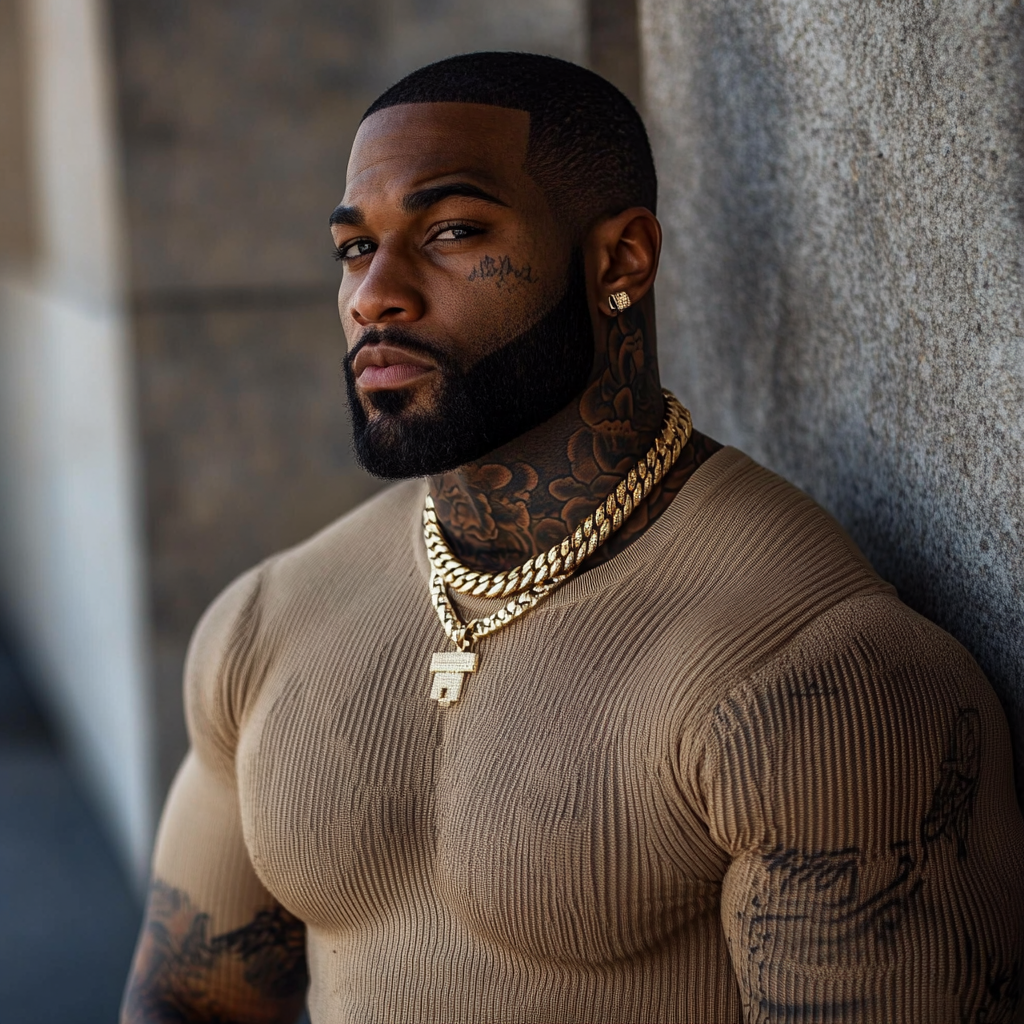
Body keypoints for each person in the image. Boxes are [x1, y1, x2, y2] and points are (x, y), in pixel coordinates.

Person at [121, 52, 1024, 1024]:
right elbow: (186, 1001)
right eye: (353, 247)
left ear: (620, 260)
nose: (372, 295)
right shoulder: (268, 621)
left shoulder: (813, 680)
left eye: (452, 232)